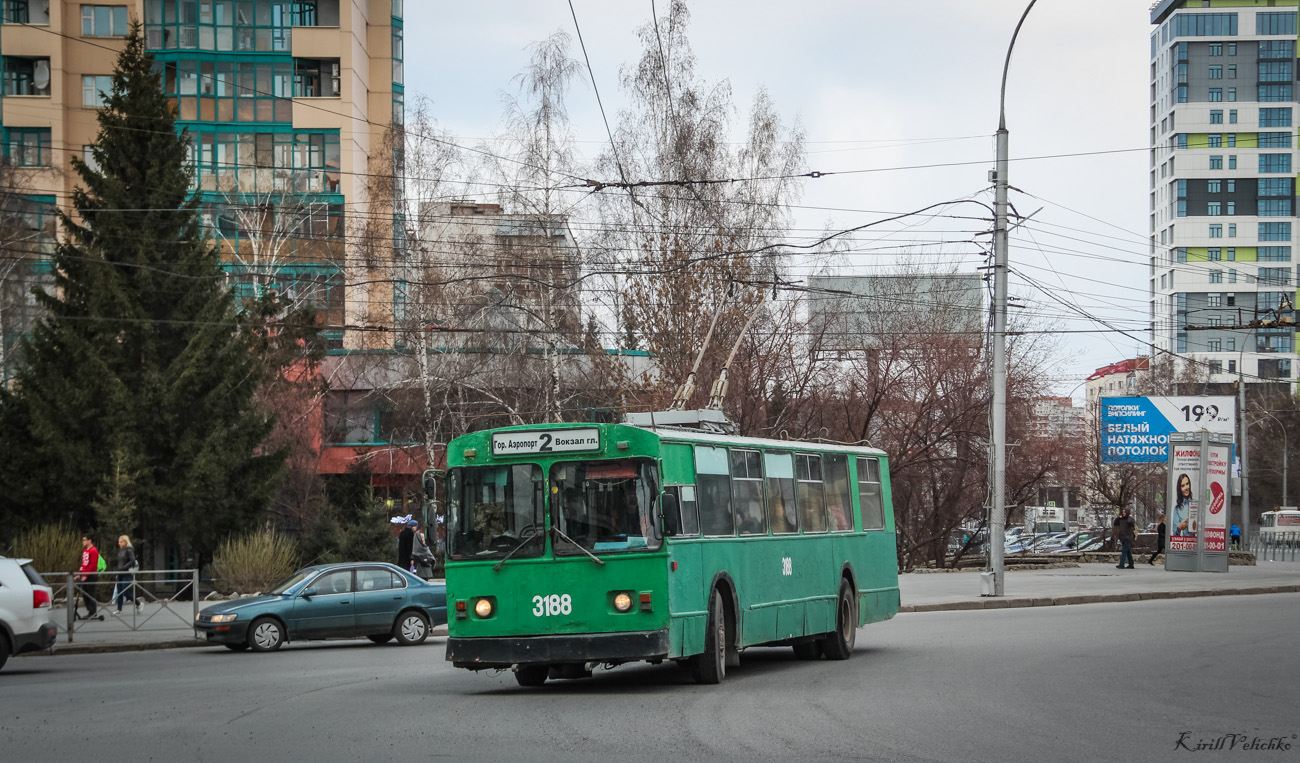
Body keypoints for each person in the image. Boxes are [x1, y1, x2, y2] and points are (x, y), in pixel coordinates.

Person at [111, 535, 142, 614]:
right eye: (119, 542)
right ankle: (119, 609)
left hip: (127, 573)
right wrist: (118, 572)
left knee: (125, 591)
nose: (119, 543)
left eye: (121, 542)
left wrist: (124, 568)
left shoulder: (129, 550)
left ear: (125, 542)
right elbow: (120, 562)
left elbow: (132, 561)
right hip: (120, 573)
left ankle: (139, 603)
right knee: (119, 591)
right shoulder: (121, 550)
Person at [77, 535, 102, 620]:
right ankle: (89, 610)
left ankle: (93, 612)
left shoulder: (93, 551)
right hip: (85, 574)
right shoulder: (85, 551)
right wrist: (80, 574)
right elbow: (83, 564)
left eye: (84, 540)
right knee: (85, 593)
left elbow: (92, 565)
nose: (83, 542)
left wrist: (86, 575)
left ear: (89, 541)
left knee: (91, 593)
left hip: (91, 575)